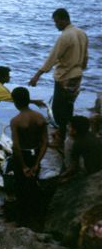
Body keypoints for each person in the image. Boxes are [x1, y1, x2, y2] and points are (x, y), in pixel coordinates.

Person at [29, 8, 89, 148]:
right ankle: (66, 131)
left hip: (65, 77)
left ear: (63, 20)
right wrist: (80, 68)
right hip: (77, 75)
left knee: (58, 109)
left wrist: (37, 76)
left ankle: (60, 139)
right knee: (68, 106)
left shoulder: (65, 36)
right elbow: (85, 55)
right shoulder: (81, 33)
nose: (56, 25)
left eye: (56, 22)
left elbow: (52, 57)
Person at [9, 87, 48, 222]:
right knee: (34, 181)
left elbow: (16, 146)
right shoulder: (40, 117)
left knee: (20, 185)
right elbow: (45, 142)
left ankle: (23, 217)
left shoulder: (16, 121)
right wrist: (37, 163)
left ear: (15, 102)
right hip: (36, 153)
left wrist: (24, 166)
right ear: (28, 99)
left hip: (23, 156)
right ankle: (36, 212)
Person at [60, 115, 102, 180]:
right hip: (98, 167)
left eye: (69, 126)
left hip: (90, 172)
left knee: (68, 142)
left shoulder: (77, 143)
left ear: (74, 131)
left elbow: (74, 166)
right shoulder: (91, 135)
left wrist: (61, 176)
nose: (67, 127)